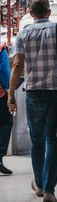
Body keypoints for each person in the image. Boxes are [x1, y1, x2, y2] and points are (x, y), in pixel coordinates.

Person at [7, 0, 57, 202]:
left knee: (36, 141)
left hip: (32, 94)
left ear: (31, 14)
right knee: (53, 142)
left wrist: (11, 94)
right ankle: (49, 191)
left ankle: (38, 184)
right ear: (49, 12)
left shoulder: (23, 33)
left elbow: (17, 66)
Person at [0, 43, 12, 175]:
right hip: (0, 94)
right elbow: (3, 71)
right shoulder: (1, 48)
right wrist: (8, 88)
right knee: (5, 122)